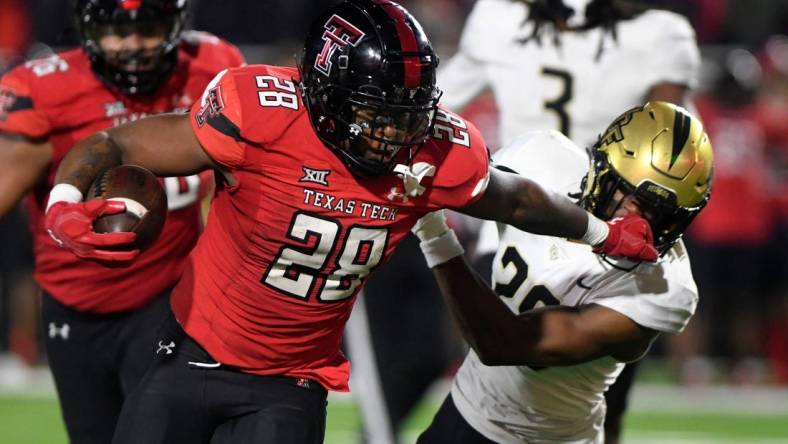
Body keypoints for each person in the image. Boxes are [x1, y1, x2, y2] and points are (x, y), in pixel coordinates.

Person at [44, 1, 656, 442]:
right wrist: (64, 201)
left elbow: (518, 200)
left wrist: (601, 233)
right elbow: (119, 145)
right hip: (189, 353)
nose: (399, 132)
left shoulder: (434, 152)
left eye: (411, 113)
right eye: (377, 112)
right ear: (327, 94)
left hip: (292, 382)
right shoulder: (260, 113)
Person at [433, 2, 702, 441]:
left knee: (576, 394)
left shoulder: (666, 285)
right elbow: (513, 198)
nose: (640, 215)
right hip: (532, 196)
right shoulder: (660, 34)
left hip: (544, 200)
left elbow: (670, 140)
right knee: (494, 387)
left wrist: (432, 231)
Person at [0, 0, 244, 442]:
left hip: (169, 299)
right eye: (117, 31)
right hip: (75, 308)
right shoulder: (48, 90)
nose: (134, 45)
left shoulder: (211, 66)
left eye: (149, 28)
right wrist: (62, 216)